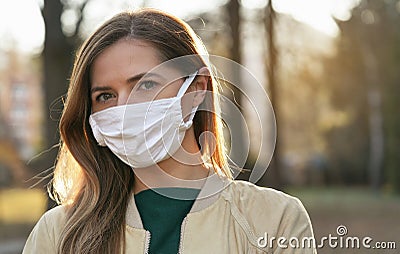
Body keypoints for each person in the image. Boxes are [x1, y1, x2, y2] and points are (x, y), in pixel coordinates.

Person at [23, 8, 317, 254]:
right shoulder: (59, 234)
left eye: (146, 85)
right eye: (105, 96)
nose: (124, 108)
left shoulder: (275, 220)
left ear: (196, 89)